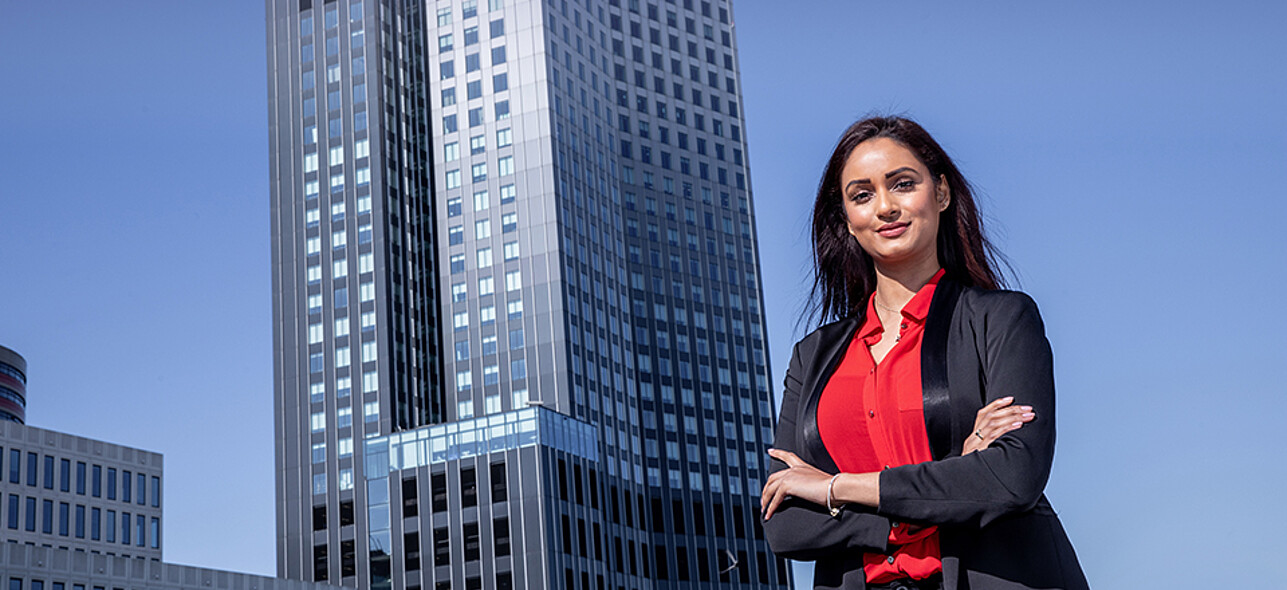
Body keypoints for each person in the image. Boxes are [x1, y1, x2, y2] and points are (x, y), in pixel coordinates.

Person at [760, 116, 1087, 590]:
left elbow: (1013, 478)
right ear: (846, 221)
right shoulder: (813, 356)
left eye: (903, 184)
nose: (886, 207)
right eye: (863, 194)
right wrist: (955, 473)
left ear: (941, 193)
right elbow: (786, 523)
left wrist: (835, 488)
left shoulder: (1002, 319)